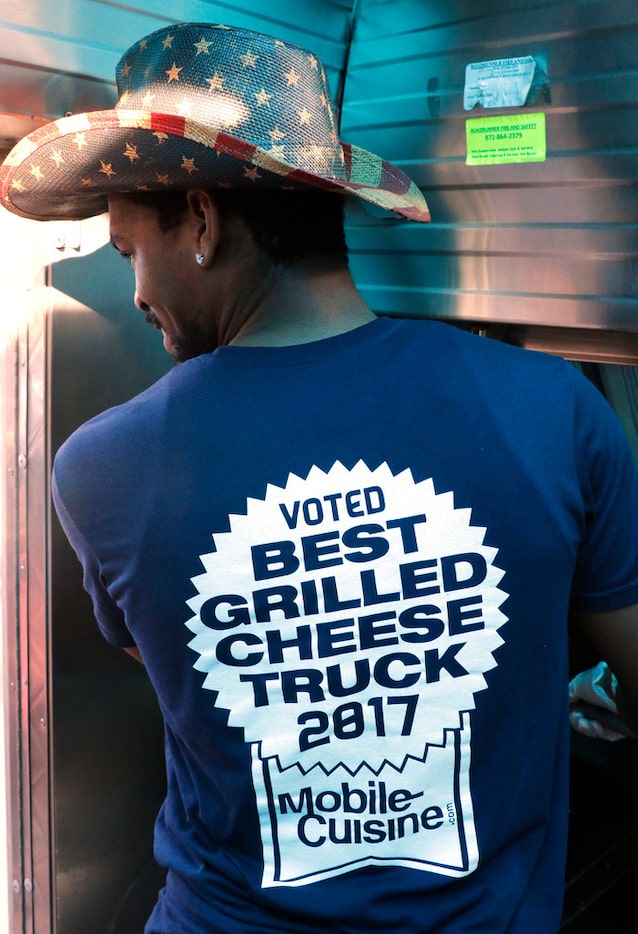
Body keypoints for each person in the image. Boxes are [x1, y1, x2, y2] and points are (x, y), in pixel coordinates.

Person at [2, 20, 638, 934]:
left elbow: (178, 663)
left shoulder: (101, 467)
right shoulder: (552, 406)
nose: (135, 290)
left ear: (206, 225)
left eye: (130, 249)